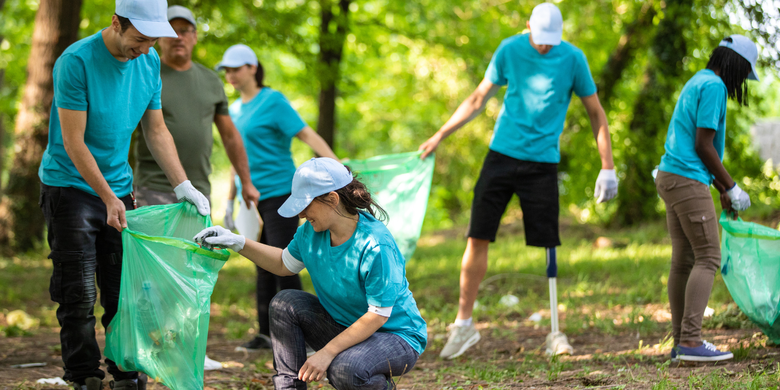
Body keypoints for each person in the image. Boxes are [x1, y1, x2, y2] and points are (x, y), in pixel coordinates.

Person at [418, 2, 617, 359]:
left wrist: (608, 166)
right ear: (528, 27)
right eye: (539, 40)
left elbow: (595, 113)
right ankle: (463, 326)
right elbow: (479, 97)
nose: (544, 47)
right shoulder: (510, 49)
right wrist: (440, 135)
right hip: (501, 156)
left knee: (548, 243)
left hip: (542, 163)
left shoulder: (573, 59)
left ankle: (555, 331)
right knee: (477, 235)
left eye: (551, 42)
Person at [37, 0, 210, 389]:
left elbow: (156, 130)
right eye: (139, 39)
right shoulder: (76, 61)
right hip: (70, 187)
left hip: (118, 187)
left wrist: (183, 184)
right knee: (77, 293)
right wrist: (106, 197)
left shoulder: (148, 63)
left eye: (153, 41)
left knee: (124, 291)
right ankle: (83, 376)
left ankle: (127, 373)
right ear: (116, 23)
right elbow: (73, 141)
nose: (146, 49)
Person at [194, 157, 427, 390]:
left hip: (396, 336)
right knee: (285, 303)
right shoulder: (310, 233)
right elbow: (283, 264)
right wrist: (237, 242)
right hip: (346, 326)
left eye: (306, 205)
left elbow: (377, 315)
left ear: (332, 199)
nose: (302, 214)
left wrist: (326, 353)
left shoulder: (375, 244)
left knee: (345, 369)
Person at [215, 44, 339, 352]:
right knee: (261, 263)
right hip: (252, 200)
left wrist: (337, 169)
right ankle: (266, 333)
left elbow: (306, 135)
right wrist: (230, 200)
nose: (230, 74)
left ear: (252, 68)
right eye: (226, 70)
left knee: (286, 261)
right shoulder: (234, 109)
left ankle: (306, 335)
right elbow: (235, 157)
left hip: (281, 193)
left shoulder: (273, 101)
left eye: (236, 68)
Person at [656, 35, 757, 362]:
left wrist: (720, 187)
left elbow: (691, 144)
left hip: (671, 176)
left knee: (683, 261)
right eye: (744, 74)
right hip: (686, 179)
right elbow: (703, 146)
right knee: (709, 257)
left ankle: (681, 343)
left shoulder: (697, 80)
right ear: (736, 64)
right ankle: (690, 341)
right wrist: (731, 186)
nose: (742, 81)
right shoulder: (713, 87)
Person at [133, 6, 259, 209]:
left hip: (199, 188)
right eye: (171, 31)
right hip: (153, 187)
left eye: (184, 31)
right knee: (155, 243)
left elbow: (229, 136)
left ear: (195, 36)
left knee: (196, 243)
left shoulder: (211, 80)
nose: (178, 37)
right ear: (159, 37)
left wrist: (246, 183)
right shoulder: (144, 74)